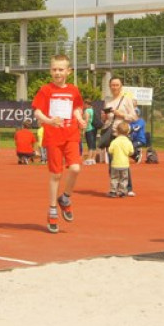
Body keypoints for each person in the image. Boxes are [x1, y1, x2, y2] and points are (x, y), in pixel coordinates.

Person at [32, 54, 86, 233]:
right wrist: (48, 121)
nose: (57, 72)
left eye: (61, 69)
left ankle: (66, 197)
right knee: (56, 175)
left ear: (68, 72)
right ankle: (52, 208)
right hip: (53, 137)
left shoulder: (73, 90)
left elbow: (77, 108)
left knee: (76, 168)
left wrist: (79, 118)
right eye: (54, 69)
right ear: (50, 71)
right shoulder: (45, 90)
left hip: (71, 134)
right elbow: (37, 112)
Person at [99, 76, 138, 195]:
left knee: (123, 161)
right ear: (109, 86)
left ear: (121, 86)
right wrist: (104, 116)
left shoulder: (126, 99)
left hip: (121, 134)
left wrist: (120, 114)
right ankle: (114, 188)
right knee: (112, 162)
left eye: (117, 85)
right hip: (110, 132)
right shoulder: (108, 100)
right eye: (112, 85)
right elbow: (104, 120)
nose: (114, 87)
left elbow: (134, 117)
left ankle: (128, 188)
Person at [107, 121, 134, 197]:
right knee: (124, 178)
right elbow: (131, 152)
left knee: (114, 177)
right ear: (128, 132)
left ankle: (113, 191)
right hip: (125, 164)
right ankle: (122, 191)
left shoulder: (114, 141)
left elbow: (110, 150)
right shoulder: (128, 142)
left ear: (117, 131)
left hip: (115, 163)